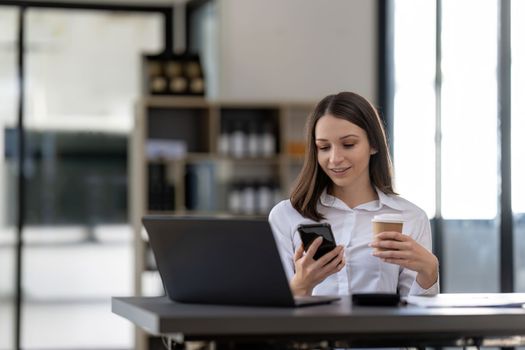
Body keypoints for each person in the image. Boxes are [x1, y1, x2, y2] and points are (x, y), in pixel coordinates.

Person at [269, 91, 439, 297]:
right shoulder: (286, 215)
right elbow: (274, 309)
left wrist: (429, 271)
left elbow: (415, 316)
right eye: (324, 147)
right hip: (312, 329)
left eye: (348, 144)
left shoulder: (411, 217)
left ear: (374, 144)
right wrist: (302, 285)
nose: (334, 158)